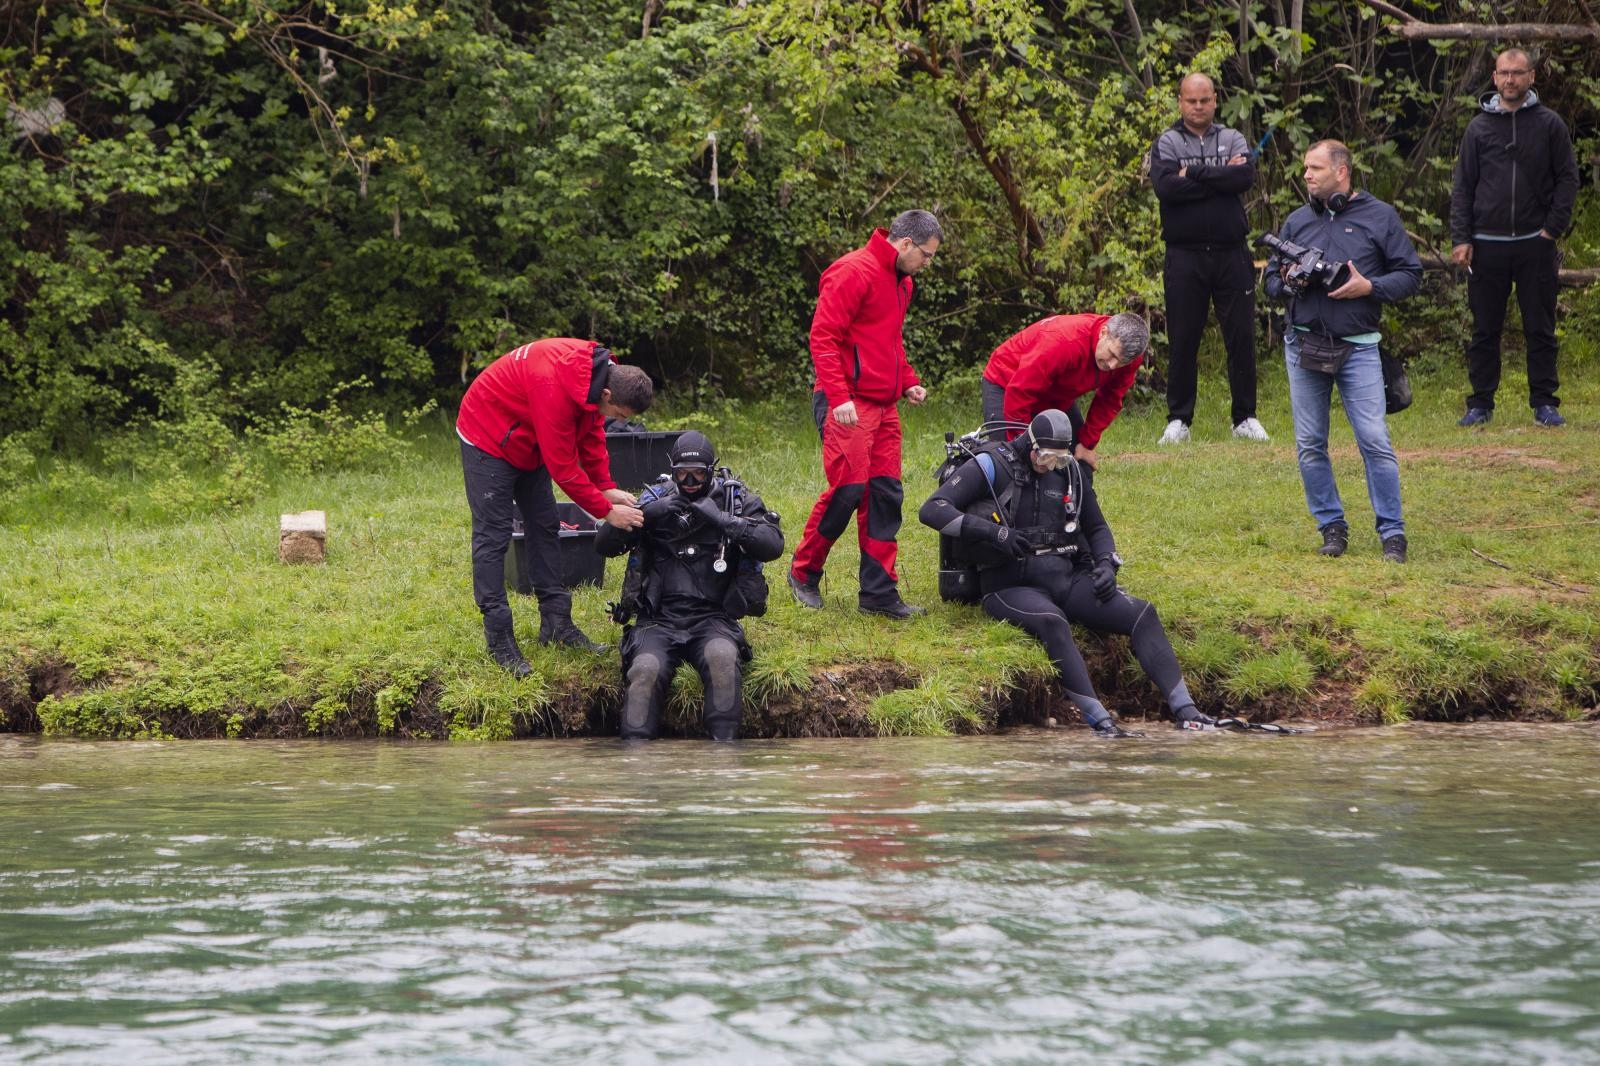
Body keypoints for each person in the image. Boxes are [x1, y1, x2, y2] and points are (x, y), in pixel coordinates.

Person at [920, 409, 1213, 735]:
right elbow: (933, 509)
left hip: (1064, 577)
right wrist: (995, 534)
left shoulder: (1070, 472)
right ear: (1031, 446)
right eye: (1046, 458)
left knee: (1142, 613)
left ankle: (1188, 712)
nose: (1050, 467)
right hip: (1008, 583)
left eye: (1059, 460)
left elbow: (1097, 527)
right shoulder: (991, 464)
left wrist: (1105, 565)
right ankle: (1102, 723)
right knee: (1052, 621)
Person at [456, 338, 655, 675]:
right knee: (495, 533)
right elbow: (563, 467)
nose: (619, 421)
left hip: (527, 433)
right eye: (619, 415)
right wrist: (606, 512)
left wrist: (605, 487)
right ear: (609, 395)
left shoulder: (598, 376)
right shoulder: (554, 386)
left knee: (545, 523)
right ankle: (499, 638)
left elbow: (590, 434)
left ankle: (556, 625)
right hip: (487, 432)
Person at [1265, 140, 1421, 563]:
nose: (1307, 176)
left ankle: (1393, 533)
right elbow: (1269, 284)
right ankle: (1331, 527)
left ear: (1342, 171)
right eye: (1305, 168)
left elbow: (1410, 275)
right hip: (1303, 345)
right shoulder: (1296, 222)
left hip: (1358, 349)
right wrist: (1288, 282)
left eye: (1315, 168)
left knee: (1374, 440)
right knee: (1311, 442)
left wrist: (1370, 287)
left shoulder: (1380, 217)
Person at [788, 209, 938, 619]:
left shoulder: (902, 281)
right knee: (848, 489)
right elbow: (822, 337)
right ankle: (804, 572)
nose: (927, 264)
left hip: (883, 405)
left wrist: (907, 379)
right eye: (926, 255)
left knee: (886, 494)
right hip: (846, 401)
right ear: (905, 243)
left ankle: (878, 593)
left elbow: (888, 339)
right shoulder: (852, 271)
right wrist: (839, 398)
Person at [595, 432, 784, 741]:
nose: (691, 480)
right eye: (683, 472)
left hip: (714, 619)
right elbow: (603, 544)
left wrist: (723, 520)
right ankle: (634, 760)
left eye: (699, 472)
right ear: (673, 469)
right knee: (644, 670)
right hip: (657, 620)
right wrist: (646, 516)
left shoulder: (735, 501)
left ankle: (723, 761)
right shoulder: (654, 499)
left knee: (722, 660)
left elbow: (773, 544)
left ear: (712, 469)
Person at [1450, 47, 1579, 429]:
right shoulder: (1478, 129)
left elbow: (1568, 180)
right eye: (1504, 73)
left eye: (1518, 73)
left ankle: (1544, 403)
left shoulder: (1550, 125)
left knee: (1539, 326)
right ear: (1494, 78)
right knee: (1484, 328)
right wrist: (1461, 237)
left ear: (1531, 77)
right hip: (1486, 245)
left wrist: (1551, 230)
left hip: (1534, 243)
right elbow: (1463, 187)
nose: (1510, 80)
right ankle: (1480, 404)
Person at [1149, 74, 1267, 446]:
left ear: (1215, 100)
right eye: (1191, 100)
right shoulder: (1167, 142)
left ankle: (1245, 417)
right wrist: (1219, 177)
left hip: (1232, 253)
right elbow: (1166, 187)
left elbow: (1243, 177)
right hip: (1185, 256)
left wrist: (1194, 173)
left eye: (1204, 100)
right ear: (1180, 102)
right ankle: (1179, 420)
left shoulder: (1232, 137)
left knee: (1241, 337)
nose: (1198, 107)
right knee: (1183, 338)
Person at [980, 312, 1150, 469]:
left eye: (1120, 362)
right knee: (1012, 461)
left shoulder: (1128, 358)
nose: (1112, 366)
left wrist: (1086, 443)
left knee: (1080, 464)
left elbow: (1110, 399)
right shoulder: (1064, 341)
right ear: (1103, 333)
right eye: (1111, 355)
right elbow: (1020, 390)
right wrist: (1026, 446)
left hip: (1056, 396)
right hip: (1007, 382)